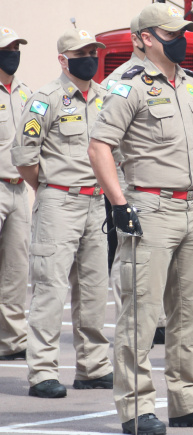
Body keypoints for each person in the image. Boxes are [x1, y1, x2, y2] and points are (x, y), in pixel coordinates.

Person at [88, 3, 193, 433]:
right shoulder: (125, 85)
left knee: (190, 310)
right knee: (141, 314)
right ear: (146, 38)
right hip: (149, 208)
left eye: (182, 31)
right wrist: (118, 204)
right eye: (171, 33)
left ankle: (188, 401)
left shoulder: (190, 84)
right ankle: (136, 409)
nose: (180, 39)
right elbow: (99, 147)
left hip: (191, 208)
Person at [12, 29, 112, 398]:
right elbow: (24, 158)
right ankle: (42, 372)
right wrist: (51, 190)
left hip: (97, 203)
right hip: (59, 202)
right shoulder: (45, 99)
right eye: (81, 52)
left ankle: (93, 367)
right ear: (62, 59)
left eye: (93, 51)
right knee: (50, 288)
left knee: (93, 289)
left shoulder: (106, 98)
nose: (90, 57)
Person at [104, 16, 168, 348]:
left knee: (158, 264)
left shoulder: (174, 79)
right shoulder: (121, 81)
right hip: (131, 188)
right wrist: (118, 195)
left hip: (164, 188)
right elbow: (105, 143)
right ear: (137, 39)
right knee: (129, 262)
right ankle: (135, 323)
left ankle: (157, 320)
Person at [0, 26, 31, 363]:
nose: (13, 53)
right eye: (6, 48)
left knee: (16, 269)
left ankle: (12, 341)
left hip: (19, 188)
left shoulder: (25, 92)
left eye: (16, 47)